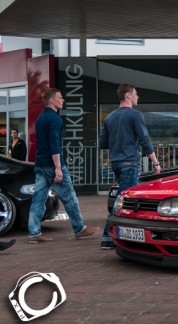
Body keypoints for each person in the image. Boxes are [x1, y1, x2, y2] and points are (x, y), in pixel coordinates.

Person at [28, 88, 98, 244]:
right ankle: (79, 228)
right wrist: (58, 168)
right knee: (69, 197)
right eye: (60, 97)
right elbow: (54, 144)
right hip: (52, 166)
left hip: (40, 164)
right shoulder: (55, 119)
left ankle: (33, 233)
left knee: (38, 200)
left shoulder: (40, 118)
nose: (63, 100)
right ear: (52, 100)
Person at [99, 84, 161, 250]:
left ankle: (123, 234)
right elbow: (144, 139)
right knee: (124, 200)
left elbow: (102, 143)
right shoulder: (135, 115)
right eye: (135, 94)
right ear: (128, 96)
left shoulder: (109, 118)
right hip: (129, 162)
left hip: (116, 163)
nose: (137, 97)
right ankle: (107, 235)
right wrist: (156, 162)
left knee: (123, 197)